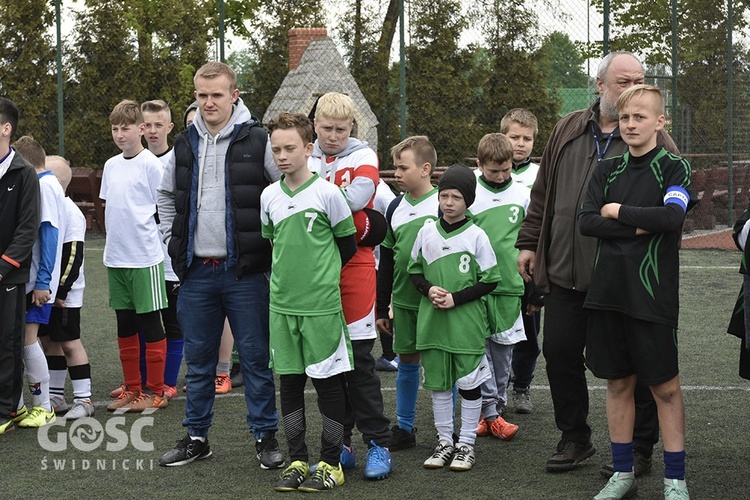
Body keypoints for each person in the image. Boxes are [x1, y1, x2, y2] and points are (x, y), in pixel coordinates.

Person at [516, 51, 676, 474]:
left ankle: (640, 449)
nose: (633, 89)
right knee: (560, 351)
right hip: (567, 270)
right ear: (601, 85)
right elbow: (542, 190)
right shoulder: (568, 127)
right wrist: (530, 241)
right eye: (624, 81)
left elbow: (673, 210)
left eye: (640, 80)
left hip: (625, 278)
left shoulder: (653, 133)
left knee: (634, 365)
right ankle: (575, 438)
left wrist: (625, 223)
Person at [157, 62, 283, 469]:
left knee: (256, 359)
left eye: (216, 94)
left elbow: (283, 194)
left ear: (235, 95)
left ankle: (265, 438)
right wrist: (171, 243)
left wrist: (271, 249)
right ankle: (196, 437)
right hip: (195, 273)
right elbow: (164, 197)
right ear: (195, 96)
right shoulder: (183, 144)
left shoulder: (259, 139)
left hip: (245, 273)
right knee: (199, 362)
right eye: (201, 95)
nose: (209, 102)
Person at [579, 84, 694, 500]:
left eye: (640, 117)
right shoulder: (605, 169)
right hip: (608, 293)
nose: (630, 124)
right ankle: (622, 474)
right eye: (625, 117)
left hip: (652, 296)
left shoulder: (675, 168)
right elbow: (587, 222)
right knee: (617, 385)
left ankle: (675, 480)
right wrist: (642, 224)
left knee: (665, 388)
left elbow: (673, 217)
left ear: (660, 122)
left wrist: (620, 212)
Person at [262, 112, 357, 492]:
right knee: (289, 384)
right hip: (282, 307)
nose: (282, 156)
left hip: (320, 309)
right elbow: (273, 246)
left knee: (329, 387)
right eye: (276, 150)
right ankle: (298, 458)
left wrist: (319, 280)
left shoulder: (328, 193)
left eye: (289, 148)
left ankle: (331, 463)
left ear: (308, 148)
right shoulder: (268, 195)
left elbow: (346, 245)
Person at [308, 92, 392, 479]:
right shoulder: (306, 155)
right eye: (327, 128)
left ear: (352, 128)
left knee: (360, 363)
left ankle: (378, 444)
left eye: (342, 129)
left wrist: (315, 207)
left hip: (355, 266)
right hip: (315, 269)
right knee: (328, 365)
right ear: (315, 125)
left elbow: (361, 196)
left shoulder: (364, 156)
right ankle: (341, 443)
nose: (334, 136)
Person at [410, 164, 500, 471]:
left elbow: (491, 280)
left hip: (466, 325)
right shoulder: (425, 231)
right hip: (433, 324)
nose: (448, 202)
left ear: (468, 201)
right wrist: (429, 289)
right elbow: (414, 272)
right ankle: (445, 441)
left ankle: (466, 445)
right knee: (438, 383)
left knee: (468, 382)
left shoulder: (477, 235)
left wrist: (455, 298)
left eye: (456, 197)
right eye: (444, 195)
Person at [101, 100, 168, 413]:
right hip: (116, 259)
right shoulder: (111, 165)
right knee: (124, 324)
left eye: (125, 128)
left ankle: (156, 391)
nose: (119, 134)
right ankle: (133, 387)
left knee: (150, 323)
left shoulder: (152, 165)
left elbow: (164, 210)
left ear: (141, 129)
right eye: (115, 129)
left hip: (145, 259)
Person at [376, 136, 439, 448]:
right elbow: (387, 260)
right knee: (408, 361)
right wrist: (380, 306)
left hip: (438, 303)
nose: (396, 173)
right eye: (395, 167)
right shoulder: (395, 206)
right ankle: (404, 428)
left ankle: (446, 431)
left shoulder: (445, 203)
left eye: (403, 167)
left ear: (425, 169)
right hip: (403, 301)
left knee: (442, 364)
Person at [470, 133, 523, 440]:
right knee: (480, 351)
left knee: (503, 356)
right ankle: (486, 411)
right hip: (476, 288)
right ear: (480, 165)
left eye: (507, 170)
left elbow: (531, 239)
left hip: (510, 287)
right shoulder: (469, 193)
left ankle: (497, 410)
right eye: (494, 171)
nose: (502, 176)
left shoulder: (523, 194)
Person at [13, 136, 65, 428]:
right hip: (35, 279)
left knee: (27, 340)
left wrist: (43, 281)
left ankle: (43, 406)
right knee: (21, 339)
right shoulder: (47, 184)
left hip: (36, 282)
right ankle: (21, 405)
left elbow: (49, 236)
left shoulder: (43, 187)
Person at [38, 155, 94, 419]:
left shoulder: (70, 212)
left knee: (70, 343)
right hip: (49, 293)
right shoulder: (49, 207)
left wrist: (61, 292)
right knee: (50, 341)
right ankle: (56, 397)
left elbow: (73, 255)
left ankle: (84, 400)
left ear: (56, 181)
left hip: (64, 295)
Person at [0, 98, 40, 434]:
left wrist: (2, 267)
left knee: (7, 343)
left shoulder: (24, 173)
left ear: (6, 128)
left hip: (9, 276)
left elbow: (27, 229)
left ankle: (6, 411)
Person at [501, 108, 544, 414]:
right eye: (514, 137)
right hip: (496, 272)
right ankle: (494, 387)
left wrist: (538, 283)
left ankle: (522, 387)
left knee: (529, 335)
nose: (520, 143)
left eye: (527, 138)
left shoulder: (540, 175)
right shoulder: (483, 175)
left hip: (528, 270)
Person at [141, 99, 182, 400]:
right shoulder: (134, 160)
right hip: (140, 259)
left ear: (169, 127)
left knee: (172, 322)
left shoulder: (178, 161)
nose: (153, 131)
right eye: (148, 125)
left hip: (169, 261)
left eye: (159, 125)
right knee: (143, 320)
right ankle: (143, 381)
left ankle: (168, 381)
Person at [373, 178, 398, 373]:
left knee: (386, 305)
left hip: (381, 259)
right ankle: (388, 355)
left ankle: (389, 355)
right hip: (372, 260)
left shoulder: (381, 192)